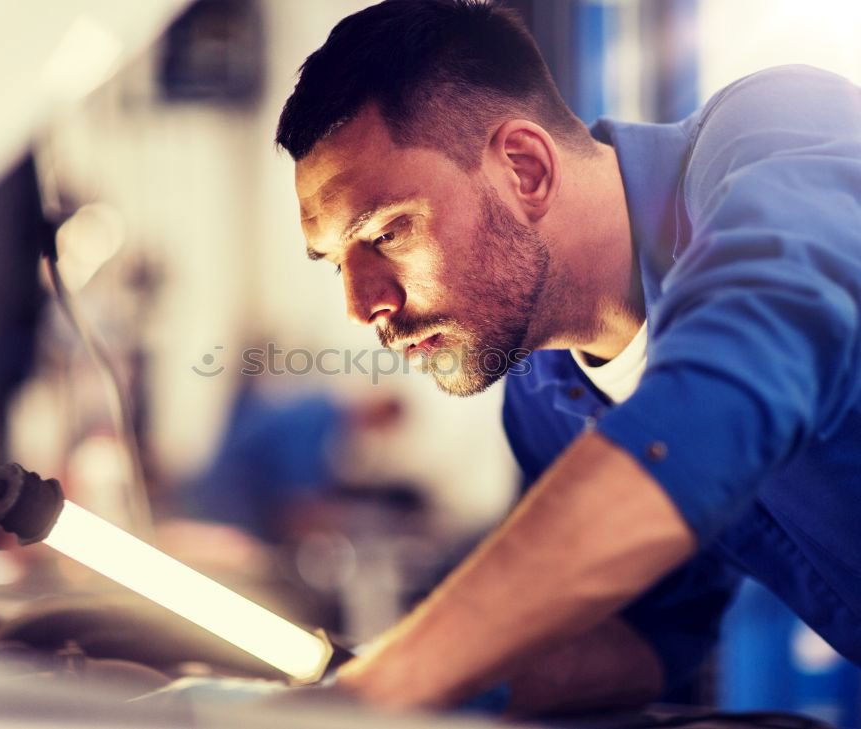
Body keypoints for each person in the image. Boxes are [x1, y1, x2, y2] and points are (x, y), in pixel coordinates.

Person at [274, 0, 861, 716]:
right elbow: (645, 633)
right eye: (335, 261)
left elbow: (716, 411)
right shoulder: (544, 394)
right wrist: (377, 691)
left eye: (388, 233)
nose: (362, 305)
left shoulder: (785, 133)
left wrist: (371, 695)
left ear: (524, 168)